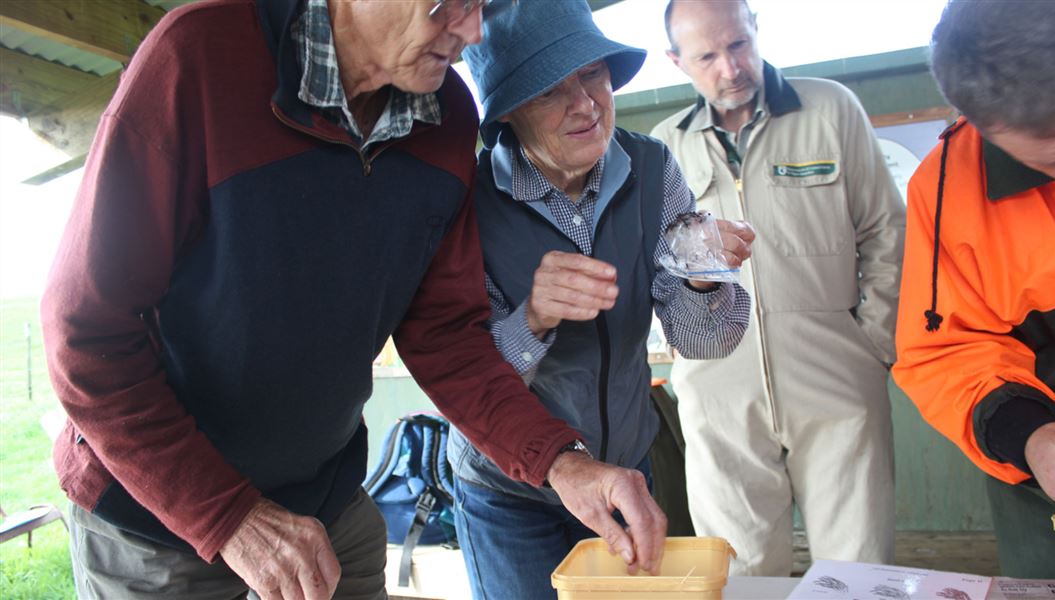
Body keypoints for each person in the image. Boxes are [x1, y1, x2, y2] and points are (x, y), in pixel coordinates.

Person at [39, 1, 668, 598]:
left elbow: (447, 338)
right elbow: (87, 335)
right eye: (448, 3)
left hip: (327, 503)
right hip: (158, 523)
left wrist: (563, 462)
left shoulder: (448, 119)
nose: (473, 32)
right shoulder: (197, 59)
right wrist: (231, 517)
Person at [449, 1, 755, 597]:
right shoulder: (467, 204)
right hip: (510, 492)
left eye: (593, 73)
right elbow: (463, 380)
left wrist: (700, 271)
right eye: (548, 91)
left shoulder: (651, 166)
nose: (586, 104)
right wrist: (532, 318)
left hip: (623, 477)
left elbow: (705, 339)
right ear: (509, 111)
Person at [650, 0, 906, 576]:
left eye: (738, 44)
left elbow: (886, 231)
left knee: (858, 566)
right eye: (708, 56)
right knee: (741, 574)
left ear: (756, 29)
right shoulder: (662, 147)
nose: (730, 68)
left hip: (837, 376)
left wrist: (874, 345)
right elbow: (658, 272)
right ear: (676, 61)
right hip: (718, 392)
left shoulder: (831, 110)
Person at [893, 0, 1055, 580]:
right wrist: (1036, 441)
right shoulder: (946, 190)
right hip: (1049, 485)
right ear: (985, 128)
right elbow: (947, 354)